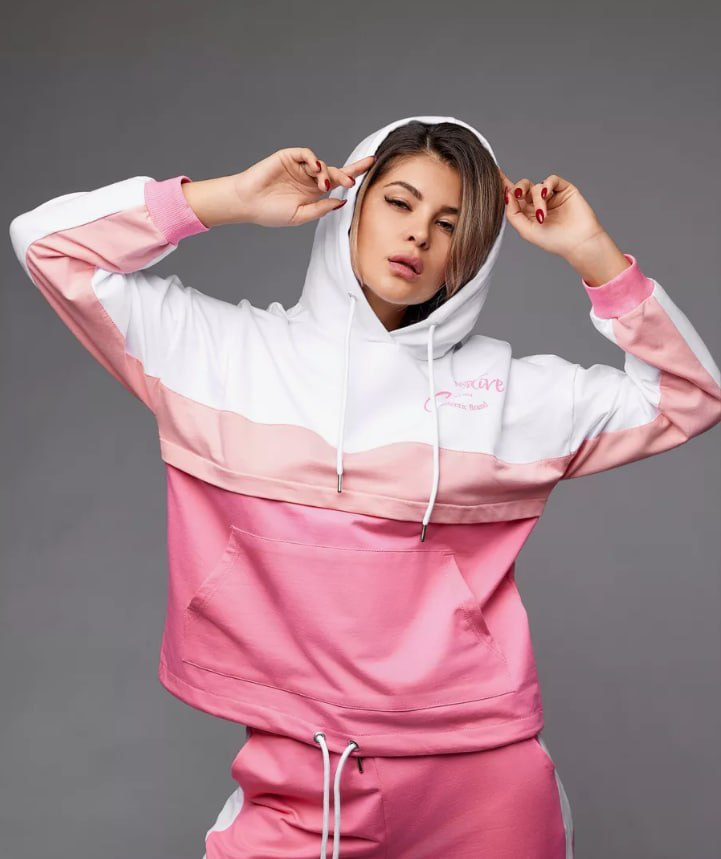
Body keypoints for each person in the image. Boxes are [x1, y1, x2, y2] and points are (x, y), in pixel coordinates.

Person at [9, 114, 720, 859]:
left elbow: (691, 397)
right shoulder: (218, 355)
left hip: (484, 784)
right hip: (304, 776)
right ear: (353, 202)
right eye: (399, 202)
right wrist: (227, 199)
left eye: (449, 224)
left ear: (472, 251)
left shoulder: (509, 395)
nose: (417, 235)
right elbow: (47, 245)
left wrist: (592, 252)